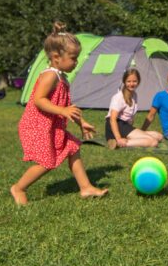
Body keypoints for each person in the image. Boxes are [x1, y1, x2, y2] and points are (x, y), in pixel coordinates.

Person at [11, 22, 108, 205]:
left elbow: (68, 105)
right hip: (38, 125)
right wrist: (62, 110)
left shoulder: (62, 78)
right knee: (47, 162)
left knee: (73, 147)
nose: (76, 62)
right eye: (73, 58)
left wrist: (81, 122)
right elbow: (39, 100)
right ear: (56, 57)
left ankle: (86, 187)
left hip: (52, 126)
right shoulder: (50, 76)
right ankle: (19, 188)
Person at [105, 68, 163, 149]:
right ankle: (118, 143)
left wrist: (137, 132)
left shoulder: (134, 95)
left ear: (138, 82)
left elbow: (130, 118)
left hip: (125, 126)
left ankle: (127, 139)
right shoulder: (118, 97)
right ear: (124, 82)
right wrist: (118, 138)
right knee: (153, 142)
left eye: (134, 81)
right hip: (116, 126)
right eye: (129, 81)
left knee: (159, 136)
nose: (131, 84)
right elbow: (112, 119)